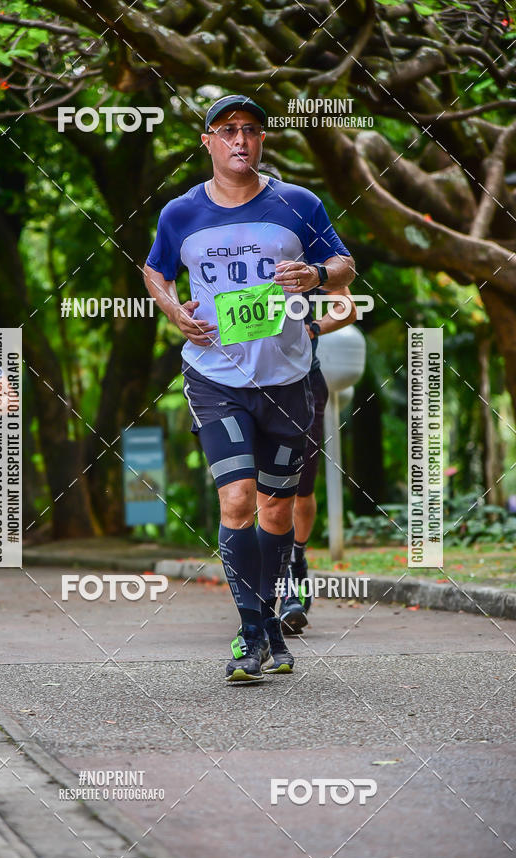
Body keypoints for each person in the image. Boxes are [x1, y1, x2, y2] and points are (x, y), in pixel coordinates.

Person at [144, 94, 354, 682]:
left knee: (277, 509)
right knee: (236, 500)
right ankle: (250, 632)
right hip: (214, 375)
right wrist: (171, 310)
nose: (240, 140)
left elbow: (345, 266)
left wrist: (316, 274)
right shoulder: (180, 213)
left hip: (288, 378)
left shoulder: (297, 203)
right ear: (207, 141)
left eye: (251, 131)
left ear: (262, 141)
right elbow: (155, 269)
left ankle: (268, 623)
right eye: (226, 130)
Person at [256, 167, 358, 635]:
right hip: (241, 384)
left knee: (300, 487)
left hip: (302, 381)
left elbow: (346, 305)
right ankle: (267, 589)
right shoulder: (225, 251)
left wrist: (314, 328)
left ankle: (296, 562)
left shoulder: (302, 253)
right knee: (254, 487)